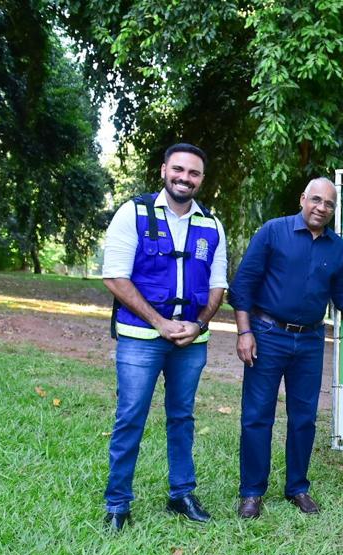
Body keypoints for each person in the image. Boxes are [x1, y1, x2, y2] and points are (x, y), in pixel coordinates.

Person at [229, 177, 343, 518]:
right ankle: (251, 493)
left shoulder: (338, 249)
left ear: (335, 210)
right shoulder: (273, 232)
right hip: (266, 334)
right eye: (316, 200)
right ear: (303, 198)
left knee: (304, 418)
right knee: (257, 416)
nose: (322, 207)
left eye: (329, 204)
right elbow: (242, 286)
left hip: (309, 340)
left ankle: (297, 488)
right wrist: (244, 332)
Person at [101, 143, 227, 531]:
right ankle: (118, 503)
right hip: (141, 337)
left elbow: (218, 286)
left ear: (201, 180)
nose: (184, 178)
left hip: (191, 342)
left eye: (193, 173)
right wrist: (159, 322)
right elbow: (115, 277)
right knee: (131, 417)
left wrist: (199, 324)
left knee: (182, 418)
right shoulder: (133, 213)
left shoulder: (211, 224)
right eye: (179, 170)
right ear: (163, 171)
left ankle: (181, 494)